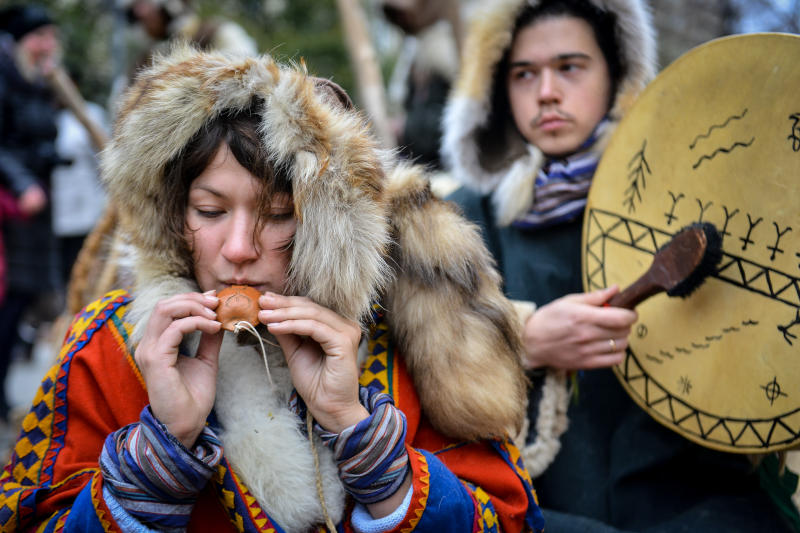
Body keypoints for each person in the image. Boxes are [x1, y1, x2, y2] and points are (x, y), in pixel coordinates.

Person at [0, 46, 545, 532]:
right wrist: (161, 452)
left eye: (278, 214)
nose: (239, 247)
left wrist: (363, 439)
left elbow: (509, 519)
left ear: (327, 227)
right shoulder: (108, 346)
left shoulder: (409, 339)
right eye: (209, 211)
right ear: (173, 217)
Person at [441, 0, 793, 531]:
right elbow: (409, 374)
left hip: (700, 506)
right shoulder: (456, 223)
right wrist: (523, 340)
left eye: (570, 67)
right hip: (540, 512)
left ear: (618, 76)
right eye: (523, 74)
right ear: (496, 88)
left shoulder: (695, 200)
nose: (547, 93)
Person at [0, 4, 62, 422]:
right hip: (13, 208)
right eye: (39, 37)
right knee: (8, 300)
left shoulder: (41, 79)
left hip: (37, 208)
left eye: (51, 37)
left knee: (21, 301)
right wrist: (22, 183)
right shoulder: (4, 77)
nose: (48, 45)